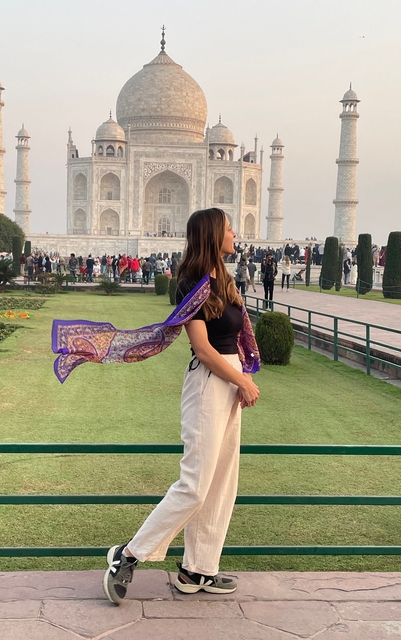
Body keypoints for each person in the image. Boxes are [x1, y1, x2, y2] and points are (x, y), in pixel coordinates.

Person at [102, 208, 260, 606]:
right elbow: (204, 348)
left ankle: (198, 569)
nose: (234, 233)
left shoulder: (224, 280)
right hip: (210, 384)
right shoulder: (192, 283)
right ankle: (128, 555)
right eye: (228, 228)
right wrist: (240, 379)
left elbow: (236, 336)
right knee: (194, 486)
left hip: (229, 383)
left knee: (222, 482)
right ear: (212, 235)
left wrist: (243, 376)